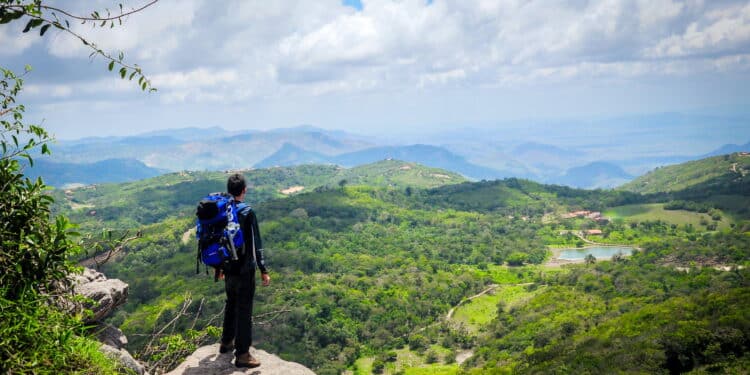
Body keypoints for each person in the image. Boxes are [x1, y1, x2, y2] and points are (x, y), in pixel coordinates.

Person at [219, 173, 271, 368]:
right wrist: (263, 269)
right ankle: (242, 354)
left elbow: (218, 241)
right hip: (244, 269)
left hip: (228, 268)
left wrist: (219, 267)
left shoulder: (223, 209)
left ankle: (226, 342)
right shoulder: (247, 212)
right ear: (244, 190)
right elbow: (256, 243)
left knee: (231, 303)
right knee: (244, 309)